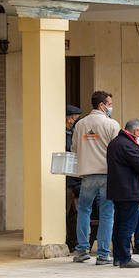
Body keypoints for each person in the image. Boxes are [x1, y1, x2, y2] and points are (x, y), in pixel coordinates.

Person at [70, 91, 119, 264]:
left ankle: (82, 250)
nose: (111, 107)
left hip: (87, 174)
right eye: (110, 103)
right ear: (102, 105)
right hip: (107, 173)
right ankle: (103, 253)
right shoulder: (112, 124)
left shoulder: (80, 124)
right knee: (107, 213)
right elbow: (118, 150)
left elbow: (74, 149)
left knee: (84, 211)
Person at [105, 119, 139, 268]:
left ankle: (118, 256)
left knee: (118, 224)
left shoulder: (115, 142)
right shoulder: (128, 145)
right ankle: (125, 258)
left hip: (118, 190)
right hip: (128, 190)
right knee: (127, 225)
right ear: (135, 131)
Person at [64, 104, 82, 253]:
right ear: (69, 119)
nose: (75, 122)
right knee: (67, 211)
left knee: (74, 213)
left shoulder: (72, 133)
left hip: (74, 178)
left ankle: (73, 241)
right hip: (66, 180)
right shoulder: (62, 135)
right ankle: (68, 241)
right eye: (75, 119)